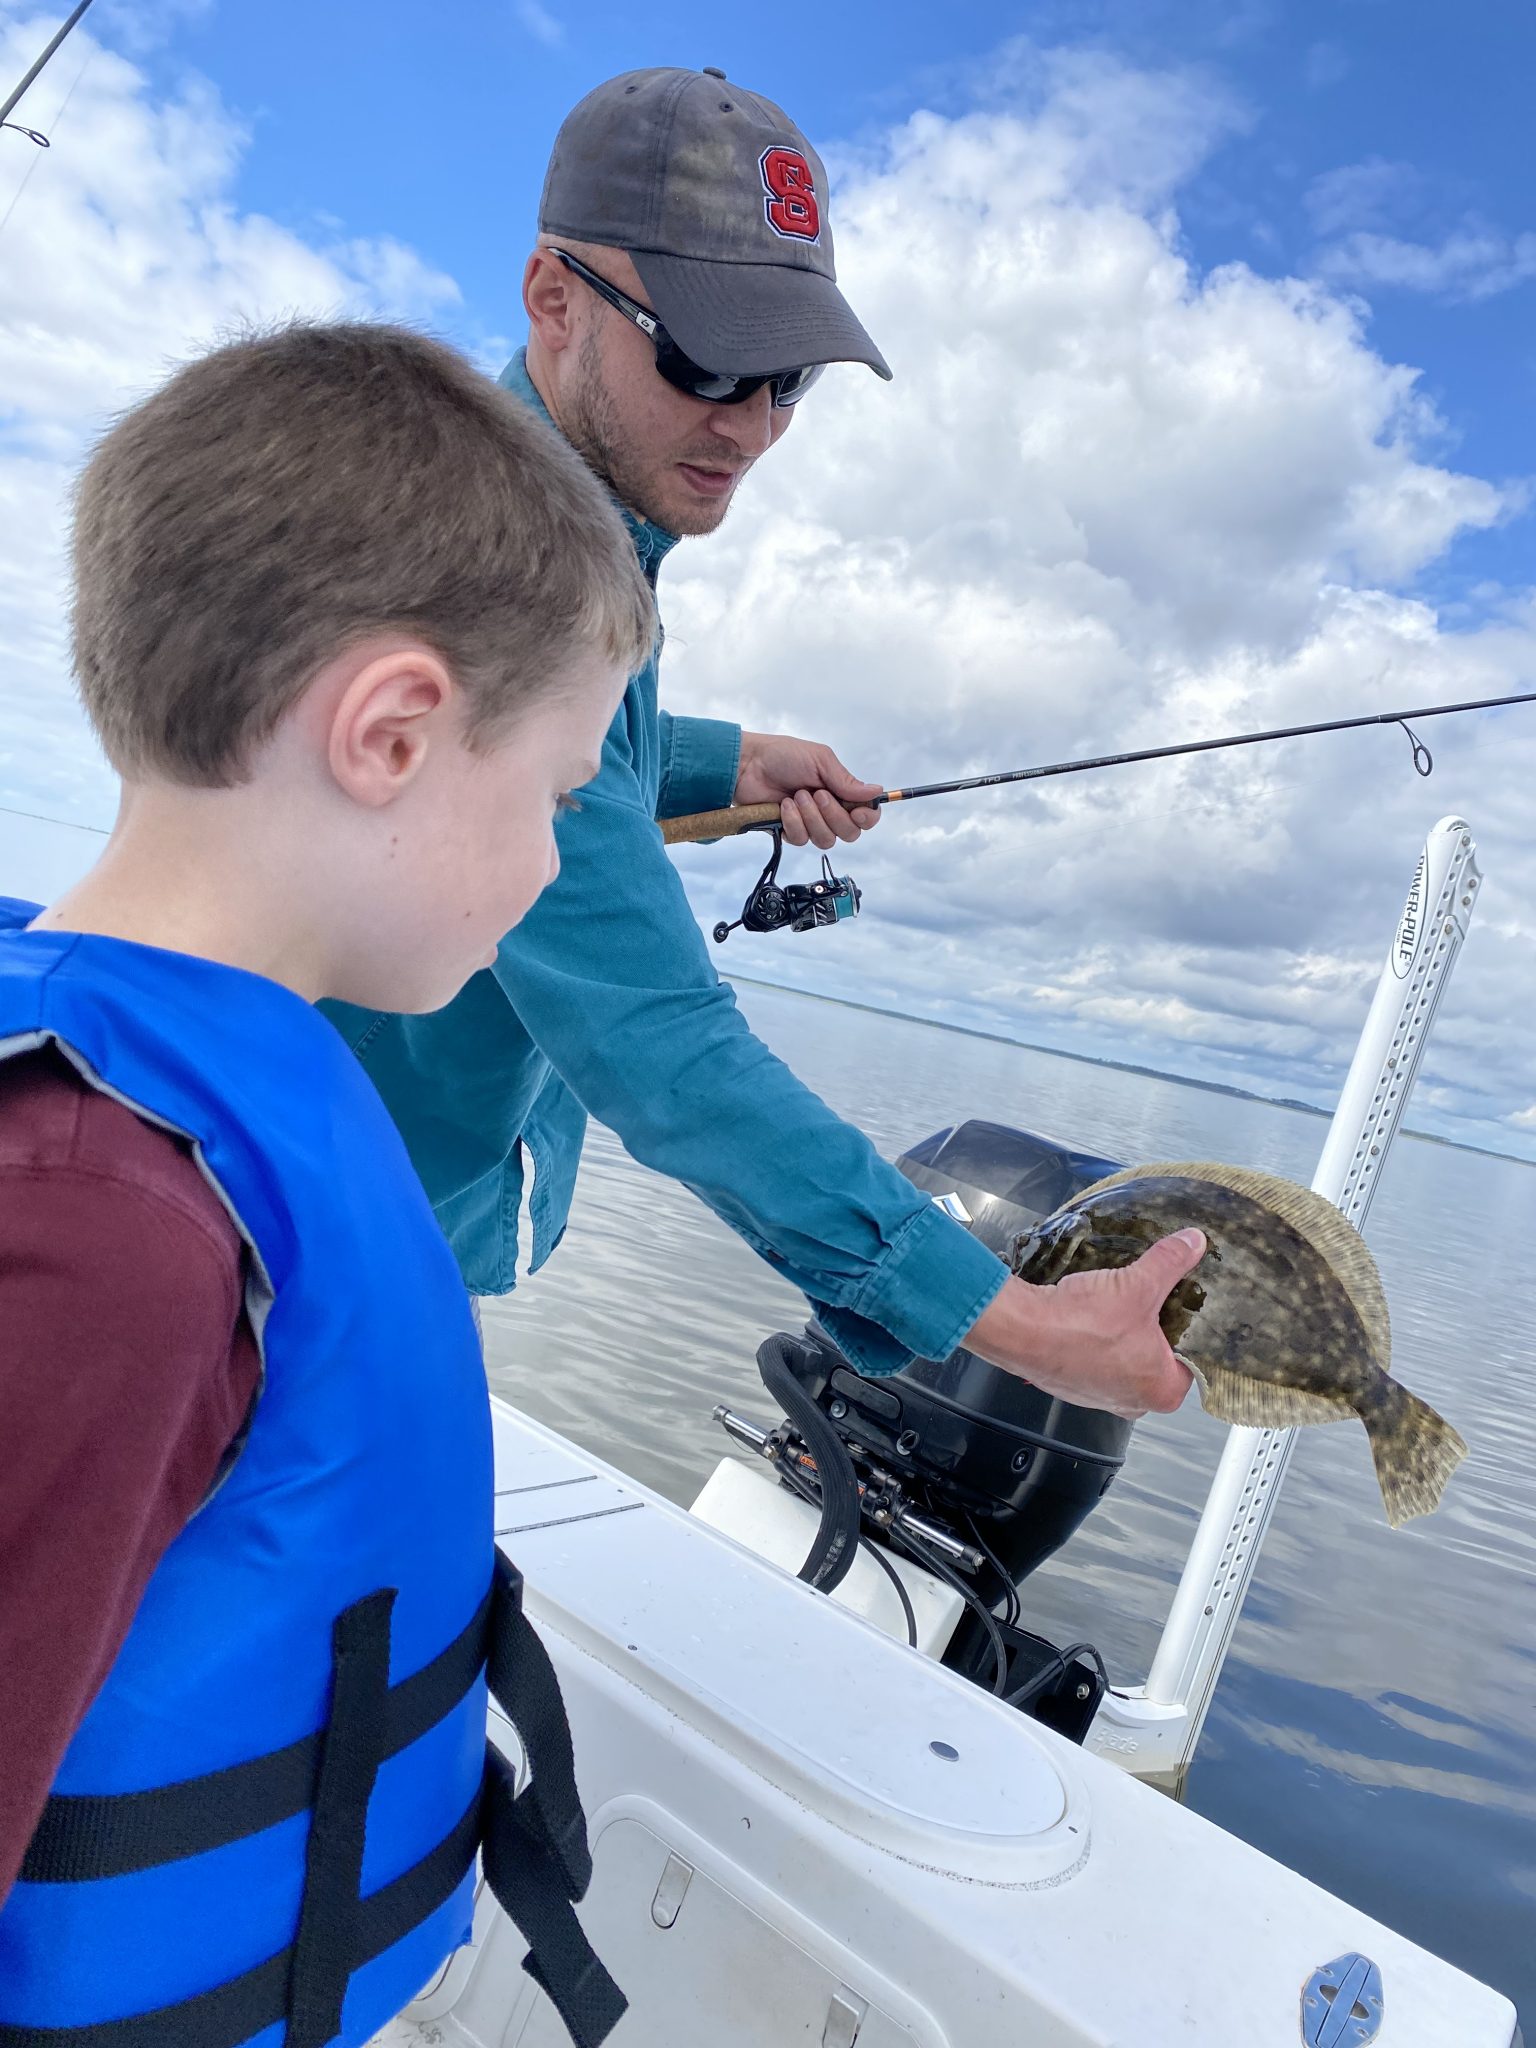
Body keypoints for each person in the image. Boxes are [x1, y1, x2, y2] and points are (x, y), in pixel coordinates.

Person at [323, 65, 1203, 1423]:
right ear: (553, 296)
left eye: (787, 378)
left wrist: (728, 761)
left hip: (355, 1197)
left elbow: (551, 764)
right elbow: (658, 1039)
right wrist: (1017, 1323)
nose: (749, 425)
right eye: (704, 360)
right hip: (323, 1249)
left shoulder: (512, 521)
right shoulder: (516, 597)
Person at [0, 325, 648, 2047]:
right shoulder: (114, 1221)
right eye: (560, 795)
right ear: (394, 734)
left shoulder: (153, 1116)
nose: (553, 860)